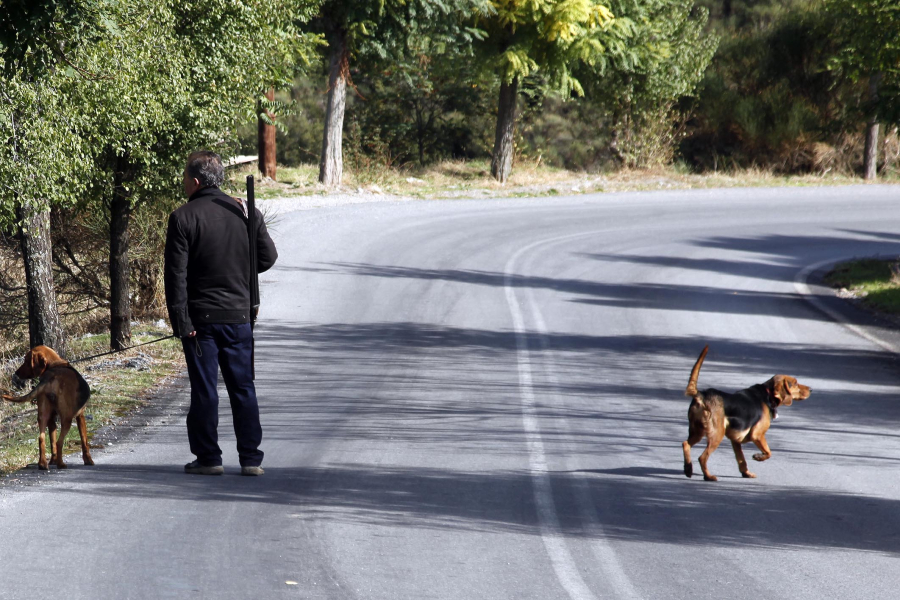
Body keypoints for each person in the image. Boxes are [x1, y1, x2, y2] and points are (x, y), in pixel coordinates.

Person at [164, 150, 278, 476]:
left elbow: (176, 277)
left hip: (201, 323)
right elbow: (267, 258)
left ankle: (209, 458)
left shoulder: (183, 217)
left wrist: (181, 324)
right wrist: (242, 267)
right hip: (240, 317)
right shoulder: (246, 212)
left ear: (196, 181)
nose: (183, 184)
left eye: (185, 178)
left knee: (205, 390)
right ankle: (251, 460)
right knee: (243, 387)